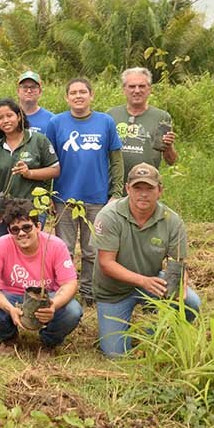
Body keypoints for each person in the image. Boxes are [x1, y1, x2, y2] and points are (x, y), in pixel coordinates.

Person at [93, 163, 201, 358]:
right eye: (137, 188)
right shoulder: (109, 216)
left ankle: (158, 334)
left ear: (160, 190)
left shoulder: (172, 221)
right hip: (114, 291)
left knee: (191, 302)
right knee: (117, 355)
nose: (143, 194)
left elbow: (176, 265)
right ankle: (120, 328)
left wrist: (180, 287)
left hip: (151, 282)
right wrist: (144, 281)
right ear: (127, 189)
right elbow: (106, 263)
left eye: (149, 188)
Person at [45, 78, 123, 304]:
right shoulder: (56, 123)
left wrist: (116, 193)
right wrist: (49, 195)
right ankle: (64, 293)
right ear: (66, 97)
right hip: (64, 199)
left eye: (83, 92)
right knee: (64, 251)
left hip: (98, 199)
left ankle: (90, 293)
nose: (78, 96)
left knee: (93, 251)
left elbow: (116, 160)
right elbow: (48, 161)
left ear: (91, 95)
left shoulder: (105, 122)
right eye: (73, 93)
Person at [0, 197, 82, 356]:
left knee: (73, 311)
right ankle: (9, 338)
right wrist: (9, 308)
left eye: (27, 227)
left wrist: (53, 304)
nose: (22, 233)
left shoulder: (56, 245)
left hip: (46, 297)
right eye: (15, 229)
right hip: (11, 296)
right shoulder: (0, 245)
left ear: (38, 226)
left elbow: (70, 284)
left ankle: (48, 342)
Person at [0, 99, 60, 237]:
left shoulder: (38, 140)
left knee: (31, 246)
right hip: (6, 209)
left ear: (19, 116)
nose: (5, 120)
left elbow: (55, 170)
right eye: (0, 118)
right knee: (8, 248)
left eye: (9, 115)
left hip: (34, 207)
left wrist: (29, 173)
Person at [107, 67, 178, 182]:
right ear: (124, 89)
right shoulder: (111, 115)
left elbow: (171, 161)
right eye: (132, 86)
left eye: (142, 86)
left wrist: (168, 146)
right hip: (113, 188)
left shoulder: (162, 117)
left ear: (149, 89)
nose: (137, 90)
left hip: (145, 186)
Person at [17, 71, 54, 135]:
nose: (29, 91)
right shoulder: (9, 117)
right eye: (25, 87)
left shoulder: (52, 120)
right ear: (18, 91)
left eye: (33, 87)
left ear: (40, 92)